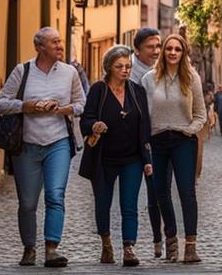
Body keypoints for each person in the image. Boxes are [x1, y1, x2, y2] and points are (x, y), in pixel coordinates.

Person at [0, 27, 86, 267]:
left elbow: (82, 104)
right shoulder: (22, 71)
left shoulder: (70, 73)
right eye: (54, 42)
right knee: (27, 201)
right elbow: (1, 104)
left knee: (56, 195)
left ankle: (51, 248)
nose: (60, 46)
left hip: (58, 143)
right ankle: (29, 248)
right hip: (27, 144)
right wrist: (28, 106)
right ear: (39, 47)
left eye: (60, 41)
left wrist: (65, 109)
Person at [79, 45, 153, 267]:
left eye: (128, 66)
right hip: (104, 159)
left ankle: (129, 248)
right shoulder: (98, 91)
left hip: (132, 158)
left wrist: (147, 160)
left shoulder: (137, 91)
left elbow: (145, 127)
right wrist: (94, 125)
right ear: (109, 67)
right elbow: (85, 120)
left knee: (129, 204)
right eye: (119, 66)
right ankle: (106, 243)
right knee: (103, 203)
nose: (125, 70)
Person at [141, 33, 207, 263]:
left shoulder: (191, 78)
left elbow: (201, 114)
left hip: (182, 140)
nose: (172, 53)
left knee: (186, 192)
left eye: (177, 49)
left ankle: (190, 246)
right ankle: (170, 240)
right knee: (161, 193)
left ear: (183, 52)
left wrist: (189, 130)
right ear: (162, 51)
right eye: (168, 48)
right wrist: (144, 139)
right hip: (157, 140)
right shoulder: (148, 79)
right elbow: (143, 115)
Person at [129, 27, 164, 258]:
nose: (155, 51)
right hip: (130, 141)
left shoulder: (160, 71)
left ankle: (158, 241)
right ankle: (125, 244)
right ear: (138, 49)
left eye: (157, 46)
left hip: (154, 140)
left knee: (156, 193)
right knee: (129, 195)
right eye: (150, 47)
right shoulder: (126, 70)